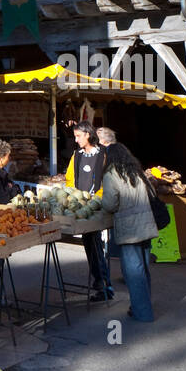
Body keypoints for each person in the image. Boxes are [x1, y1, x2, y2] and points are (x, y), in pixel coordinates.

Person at [100, 142, 158, 322]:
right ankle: (141, 306)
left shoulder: (111, 175)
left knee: (134, 272)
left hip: (129, 229)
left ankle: (143, 313)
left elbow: (109, 204)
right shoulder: (137, 171)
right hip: (146, 226)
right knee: (143, 270)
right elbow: (152, 194)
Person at [66, 121, 113, 302]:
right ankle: (101, 283)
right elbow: (70, 179)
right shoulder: (76, 155)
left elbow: (108, 180)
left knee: (94, 245)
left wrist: (96, 200)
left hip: (96, 208)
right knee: (90, 244)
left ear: (88, 135)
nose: (76, 140)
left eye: (78, 136)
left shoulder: (103, 154)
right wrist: (75, 198)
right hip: (81, 208)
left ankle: (104, 285)